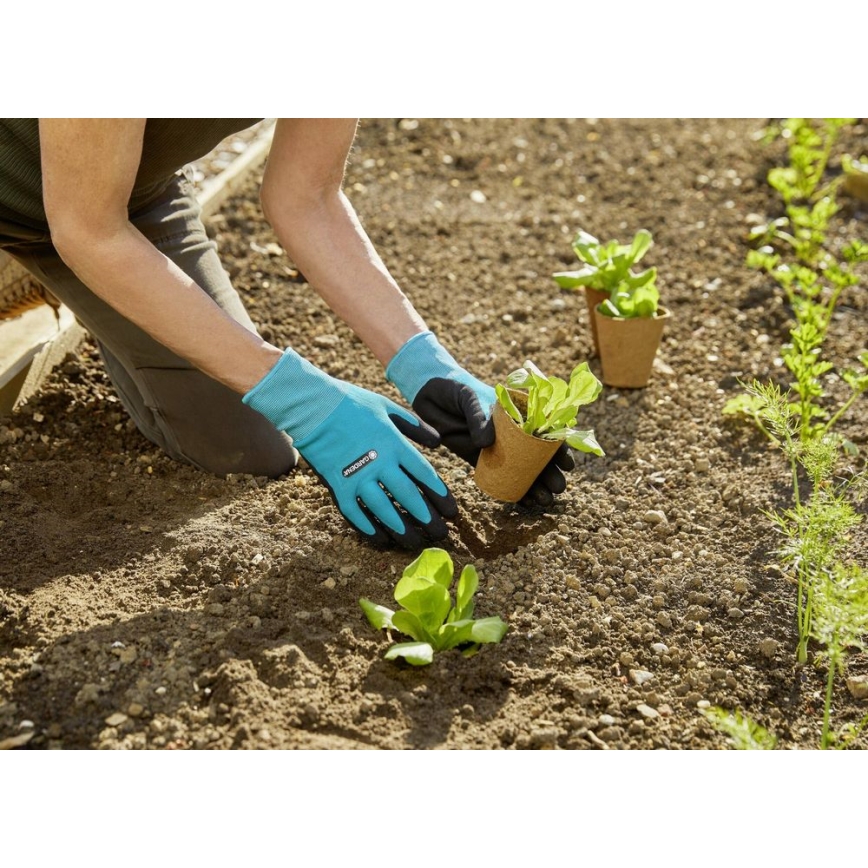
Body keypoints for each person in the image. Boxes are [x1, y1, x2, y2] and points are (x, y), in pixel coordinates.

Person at [0, 118, 573, 548]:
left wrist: (427, 368)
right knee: (86, 240)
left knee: (248, 446)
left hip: (120, 198)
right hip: (79, 214)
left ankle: (96, 279)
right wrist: (305, 401)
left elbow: (309, 197)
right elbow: (88, 229)